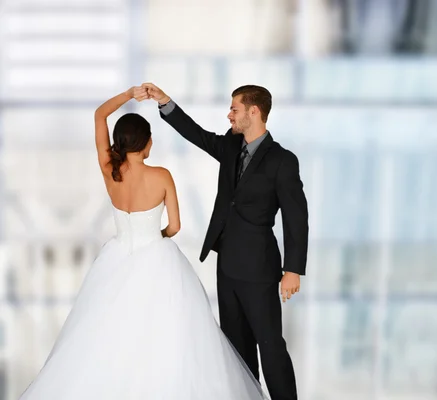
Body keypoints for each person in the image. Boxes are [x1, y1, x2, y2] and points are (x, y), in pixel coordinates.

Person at [18, 86, 268, 400]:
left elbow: (99, 115)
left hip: (118, 255)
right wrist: (156, 238)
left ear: (120, 142)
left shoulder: (110, 170)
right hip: (157, 259)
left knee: (111, 333)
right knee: (166, 336)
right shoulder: (161, 176)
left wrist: (129, 94)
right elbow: (174, 227)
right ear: (147, 143)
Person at [142, 82, 309, 400]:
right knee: (236, 351)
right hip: (227, 266)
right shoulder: (231, 146)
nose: (229, 114)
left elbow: (296, 218)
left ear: (254, 112)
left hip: (259, 269)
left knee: (270, 347)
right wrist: (165, 102)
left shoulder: (282, 161)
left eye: (235, 108)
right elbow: (198, 135)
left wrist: (293, 270)